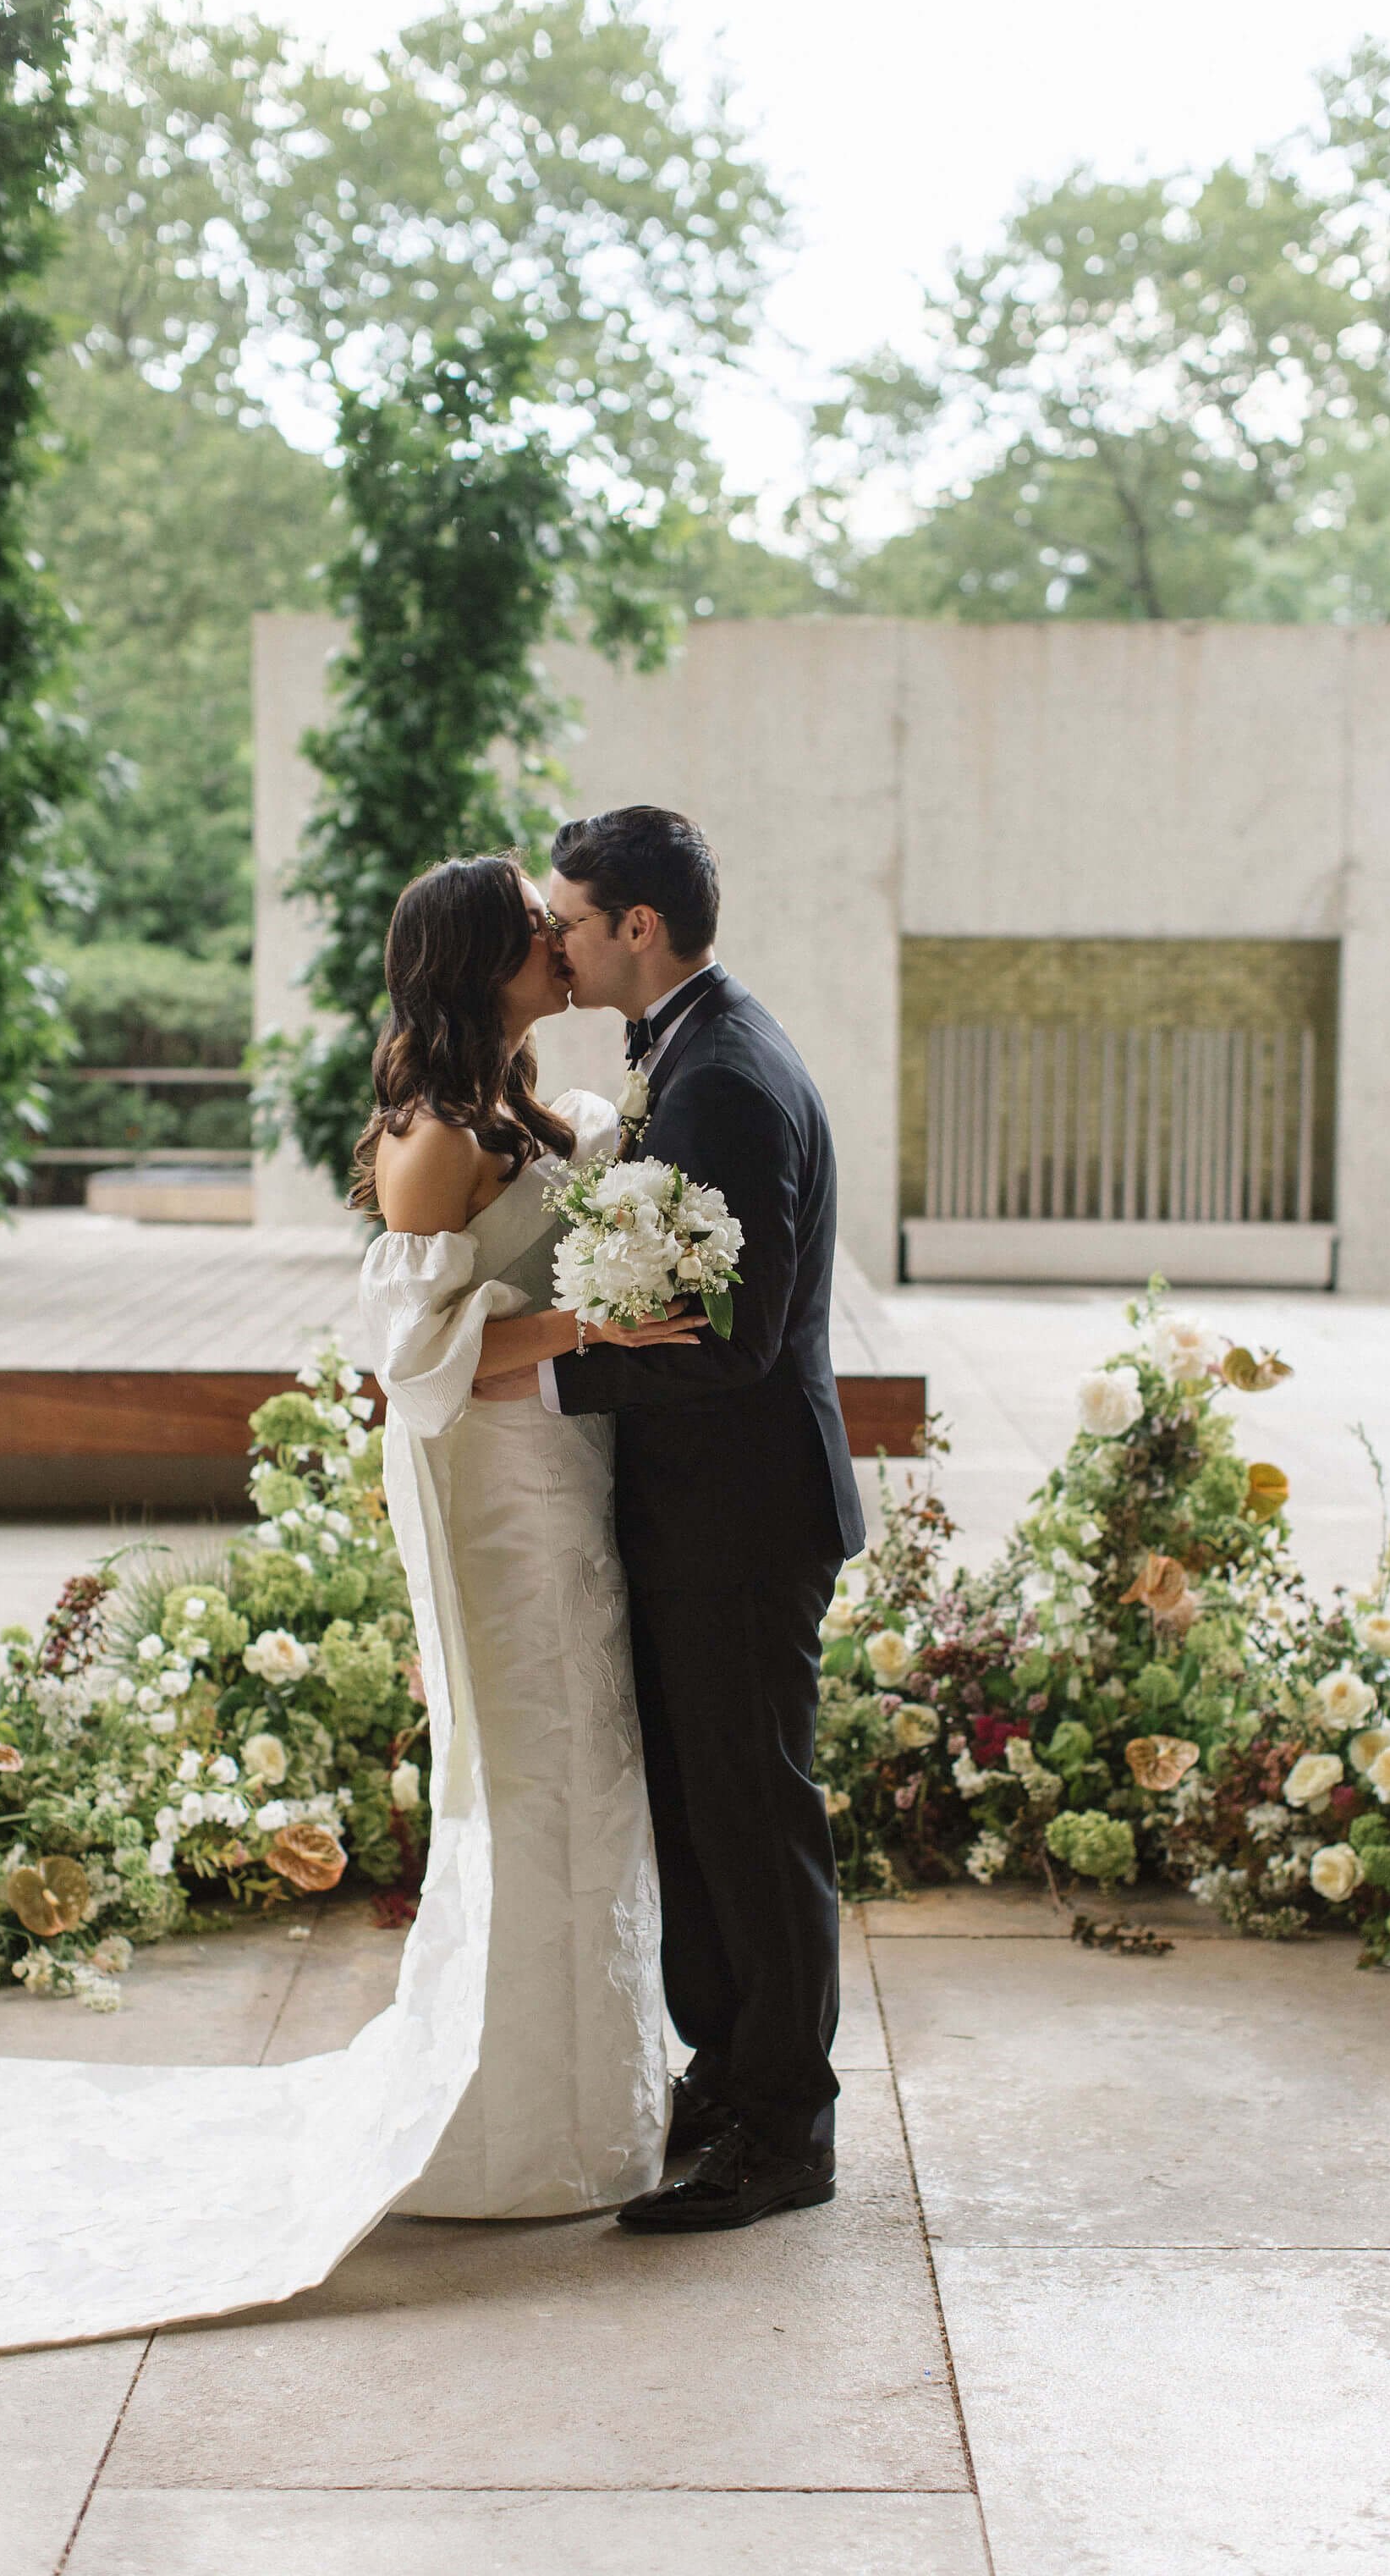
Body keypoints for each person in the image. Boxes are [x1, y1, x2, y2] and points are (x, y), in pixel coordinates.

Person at [0, 856, 695, 2373]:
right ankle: (511, 2121)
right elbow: (418, 1363)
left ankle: (594, 2100)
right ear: (474, 964)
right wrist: (595, 1323)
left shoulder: (523, 1109)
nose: (556, 945)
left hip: (564, 1474)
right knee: (530, 1765)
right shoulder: (435, 1140)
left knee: (592, 1762)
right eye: (530, 932)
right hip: (490, 1487)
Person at [477, 804, 865, 2232]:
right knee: (706, 1814)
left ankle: (787, 2130)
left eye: (568, 919)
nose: (554, 941)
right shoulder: (685, 1053)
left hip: (745, 1516)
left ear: (637, 926)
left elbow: (734, 1339)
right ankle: (730, 2075)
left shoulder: (728, 1079)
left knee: (754, 1818)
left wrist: (542, 1380)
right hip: (699, 1509)